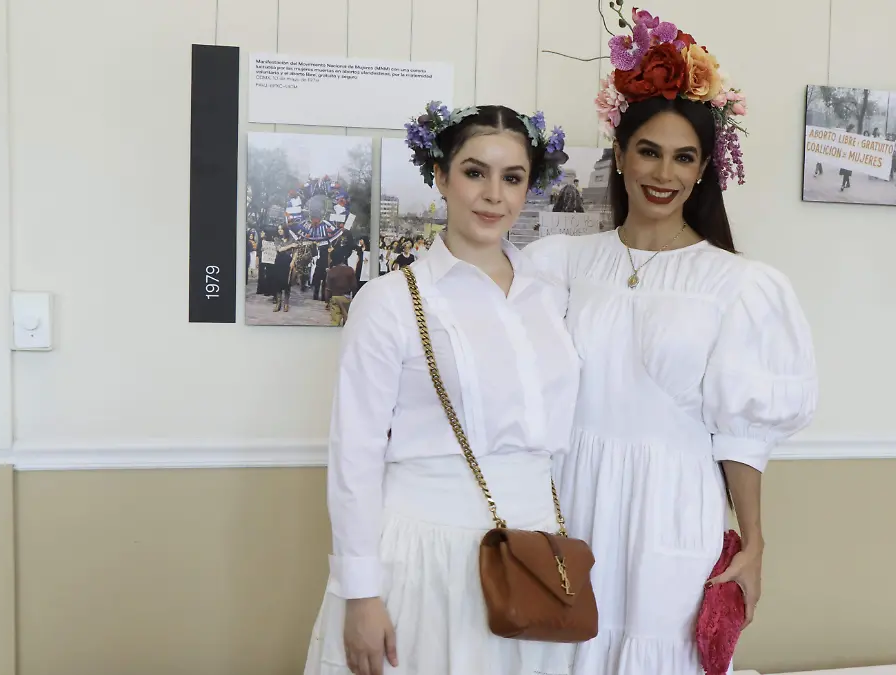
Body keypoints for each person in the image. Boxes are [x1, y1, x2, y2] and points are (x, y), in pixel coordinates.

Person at [526, 8, 818, 674]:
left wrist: (755, 538)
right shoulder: (562, 264)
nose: (665, 172)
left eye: (684, 157)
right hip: (571, 501)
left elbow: (740, 432)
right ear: (621, 156)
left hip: (673, 511)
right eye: (650, 151)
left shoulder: (738, 285)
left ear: (703, 170)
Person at [302, 102, 579, 675]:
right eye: (475, 172)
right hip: (424, 553)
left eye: (512, 177)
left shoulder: (550, 296)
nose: (493, 195)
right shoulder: (389, 302)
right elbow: (354, 454)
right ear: (440, 176)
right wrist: (360, 591)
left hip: (534, 555)